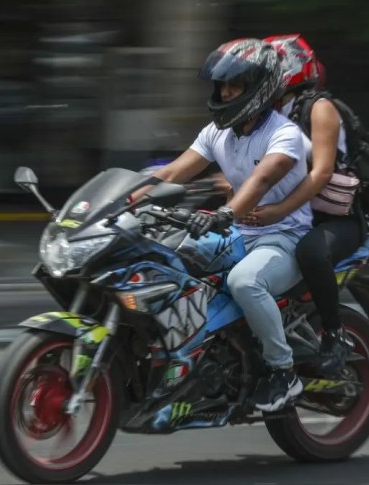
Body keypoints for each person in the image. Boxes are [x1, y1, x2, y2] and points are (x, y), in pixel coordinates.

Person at [133, 38, 311, 412]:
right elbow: (172, 173)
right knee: (164, 257)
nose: (227, 92)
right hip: (237, 234)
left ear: (259, 88)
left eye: (236, 85)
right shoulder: (218, 133)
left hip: (283, 238)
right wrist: (124, 199)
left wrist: (224, 214)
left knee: (244, 282)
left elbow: (261, 180)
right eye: (223, 85)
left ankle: (283, 372)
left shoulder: (285, 133)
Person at [242, 34, 363, 375]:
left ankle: (335, 336)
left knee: (310, 251)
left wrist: (278, 211)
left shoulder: (320, 109)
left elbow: (321, 172)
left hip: (333, 218)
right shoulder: (266, 113)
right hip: (293, 214)